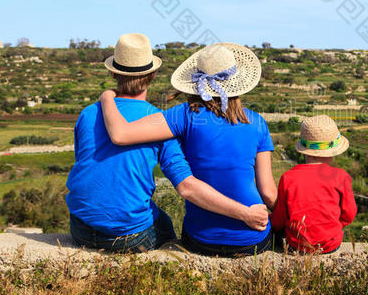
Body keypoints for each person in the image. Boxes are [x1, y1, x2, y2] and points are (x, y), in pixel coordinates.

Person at [66, 34, 268, 253]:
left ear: (113, 72)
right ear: (153, 75)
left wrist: (105, 97)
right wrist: (247, 214)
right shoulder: (161, 121)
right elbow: (186, 186)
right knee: (164, 225)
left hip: (80, 228)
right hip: (129, 236)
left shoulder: (87, 114)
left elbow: (88, 161)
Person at [271, 115, 357, 253]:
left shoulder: (288, 178)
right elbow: (349, 214)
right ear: (333, 152)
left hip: (297, 246)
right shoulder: (341, 176)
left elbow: (279, 219)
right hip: (330, 245)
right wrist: (331, 227)